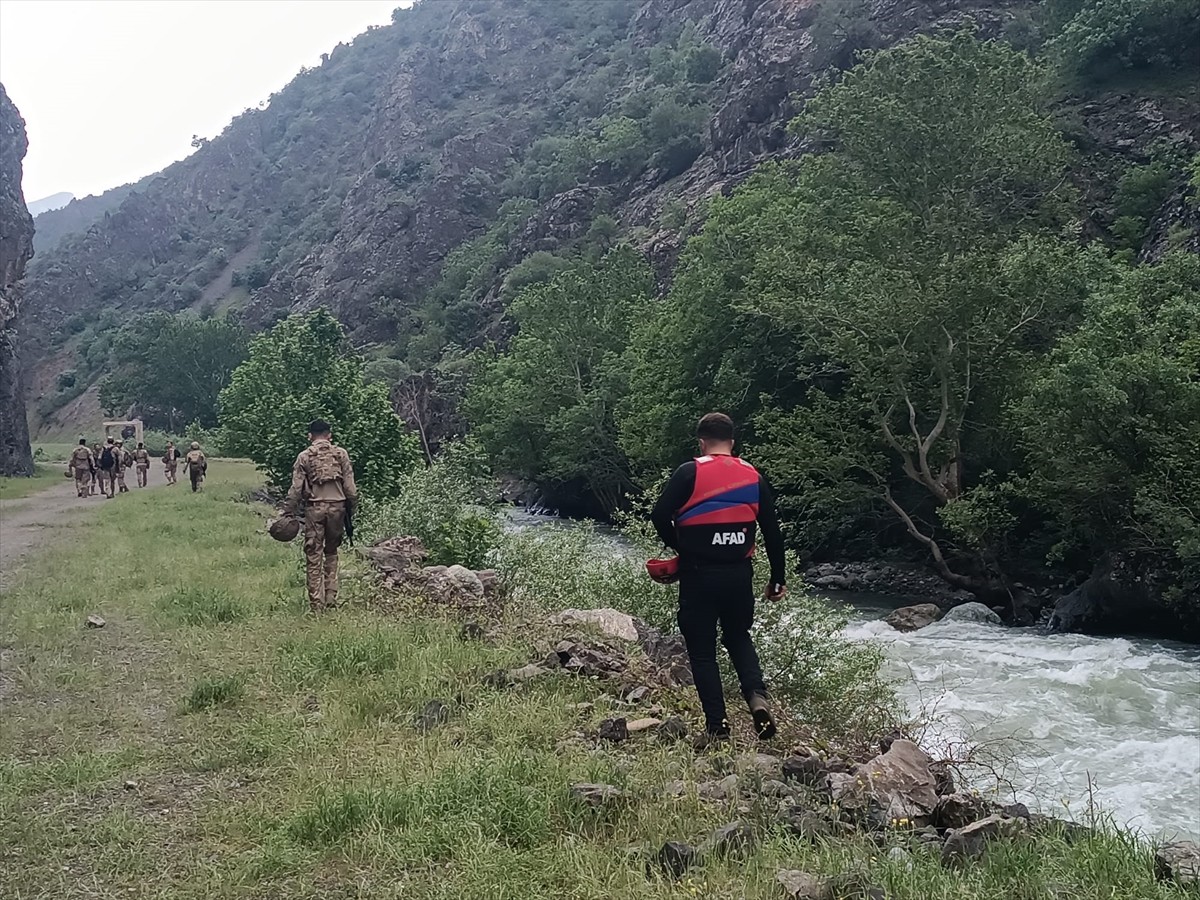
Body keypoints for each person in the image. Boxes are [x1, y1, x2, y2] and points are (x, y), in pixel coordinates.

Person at [650, 412, 787, 746]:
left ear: (701, 441)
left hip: (698, 574)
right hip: (739, 574)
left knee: (702, 652)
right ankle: (756, 697)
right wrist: (778, 579)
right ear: (732, 442)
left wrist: (681, 547)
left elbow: (658, 514)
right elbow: (772, 532)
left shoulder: (689, 471)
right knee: (738, 636)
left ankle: (718, 728)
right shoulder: (752, 476)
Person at [280, 419, 358, 613]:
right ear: (329, 435)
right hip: (338, 509)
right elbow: (350, 489)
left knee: (313, 555)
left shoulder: (304, 457)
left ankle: (317, 604)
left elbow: (296, 488)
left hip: (314, 509)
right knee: (331, 552)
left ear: (310, 436)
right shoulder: (341, 454)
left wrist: (287, 512)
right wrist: (351, 510)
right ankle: (331, 596)